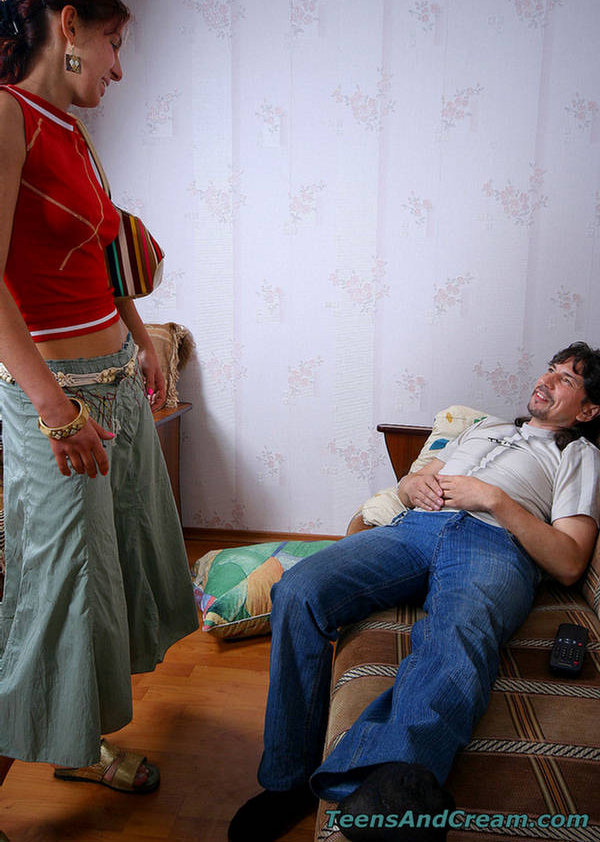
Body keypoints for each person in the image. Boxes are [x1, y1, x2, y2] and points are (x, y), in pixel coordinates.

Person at [229, 342, 600, 842]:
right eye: (550, 370)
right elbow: (415, 481)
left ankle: (392, 795)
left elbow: (570, 561)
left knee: (458, 633)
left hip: (495, 546)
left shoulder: (578, 455)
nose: (547, 380)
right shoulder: (483, 427)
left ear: (588, 410)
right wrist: (410, 488)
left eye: (566, 380)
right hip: (414, 529)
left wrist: (494, 499)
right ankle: (286, 784)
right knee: (298, 590)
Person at [0, 0, 198, 826]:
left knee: (108, 575)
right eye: (115, 42)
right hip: (61, 397)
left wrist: (141, 335)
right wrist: (54, 409)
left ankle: (79, 748)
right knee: (55, 596)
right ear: (69, 27)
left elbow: (103, 252)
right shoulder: (8, 116)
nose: (119, 67)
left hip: (115, 380)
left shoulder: (73, 133)